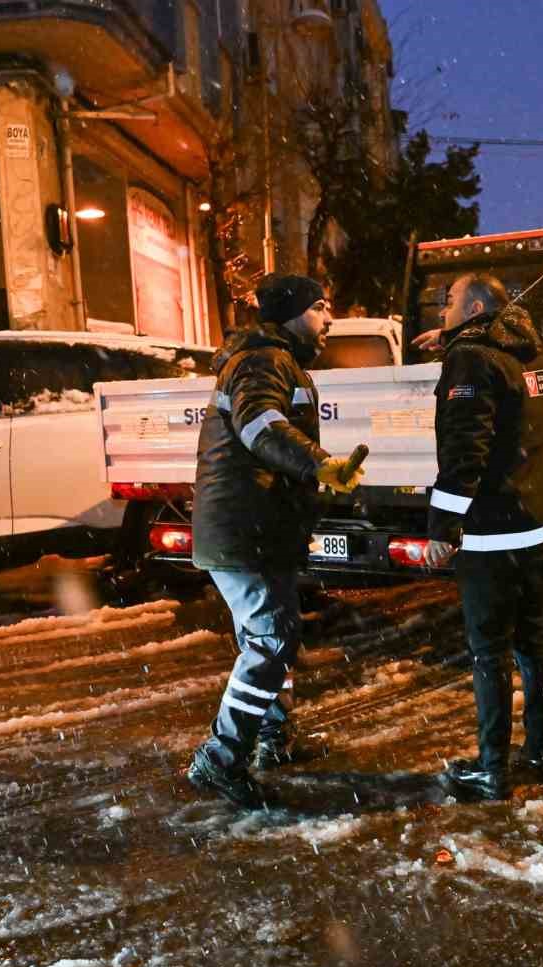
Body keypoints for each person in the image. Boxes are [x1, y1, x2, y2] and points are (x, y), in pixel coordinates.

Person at [185, 274, 364, 809]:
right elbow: (258, 425)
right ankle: (220, 758)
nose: (329, 318)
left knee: (274, 637)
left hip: (262, 526)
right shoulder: (263, 360)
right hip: (246, 529)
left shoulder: (278, 358)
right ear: (290, 314)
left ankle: (270, 740)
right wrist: (319, 465)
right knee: (271, 641)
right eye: (319, 307)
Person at [424, 274, 543, 802]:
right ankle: (541, 754)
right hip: (541, 524)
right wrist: (452, 342)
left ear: (478, 306)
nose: (441, 308)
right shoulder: (528, 351)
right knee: (533, 644)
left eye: (450, 301)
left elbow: (466, 451)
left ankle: (492, 770)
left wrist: (441, 527)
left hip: (496, 536)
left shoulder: (473, 362)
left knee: (490, 654)